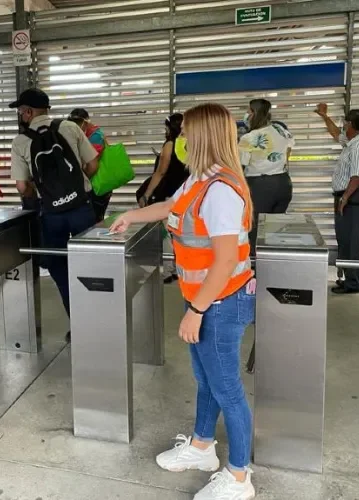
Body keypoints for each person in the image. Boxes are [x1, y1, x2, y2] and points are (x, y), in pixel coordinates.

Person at [110, 102, 257, 500]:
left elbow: (226, 259)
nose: (180, 140)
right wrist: (131, 217)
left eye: (186, 133)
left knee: (227, 388)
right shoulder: (199, 179)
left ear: (203, 136)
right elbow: (170, 207)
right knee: (206, 379)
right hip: (207, 299)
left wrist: (196, 310)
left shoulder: (221, 190)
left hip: (221, 302)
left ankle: (240, 477)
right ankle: (202, 448)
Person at [10, 88, 99, 343]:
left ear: (28, 111)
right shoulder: (70, 127)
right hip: (82, 208)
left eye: (20, 111)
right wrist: (76, 187)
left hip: (52, 214)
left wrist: (46, 193)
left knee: (60, 268)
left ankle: (78, 324)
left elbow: (22, 187)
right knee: (94, 264)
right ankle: (100, 321)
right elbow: (92, 165)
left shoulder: (21, 141)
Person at [315, 103, 359, 294]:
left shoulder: (358, 148)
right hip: (349, 199)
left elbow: (357, 176)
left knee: (353, 243)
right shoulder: (354, 142)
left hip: (353, 200)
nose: (342, 126)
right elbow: (336, 134)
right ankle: (352, 278)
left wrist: (345, 198)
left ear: (350, 124)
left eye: (344, 122)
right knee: (347, 241)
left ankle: (354, 283)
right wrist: (325, 116)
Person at [239, 99, 295, 254]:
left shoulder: (249, 138)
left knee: (255, 231)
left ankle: (256, 272)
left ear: (254, 113)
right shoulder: (280, 129)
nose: (247, 115)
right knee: (274, 231)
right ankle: (272, 268)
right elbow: (288, 150)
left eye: (249, 111)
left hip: (260, 187)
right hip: (283, 183)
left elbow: (240, 166)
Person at [138, 113, 189, 284]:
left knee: (168, 234)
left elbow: (160, 173)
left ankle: (168, 270)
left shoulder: (170, 145)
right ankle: (180, 268)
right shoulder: (192, 143)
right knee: (183, 234)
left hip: (170, 195)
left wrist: (147, 194)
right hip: (187, 194)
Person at [68, 108, 111, 221]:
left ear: (85, 122)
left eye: (77, 124)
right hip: (95, 185)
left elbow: (92, 164)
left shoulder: (95, 136)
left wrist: (82, 180)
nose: (75, 128)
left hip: (98, 186)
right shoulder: (86, 135)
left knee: (94, 221)